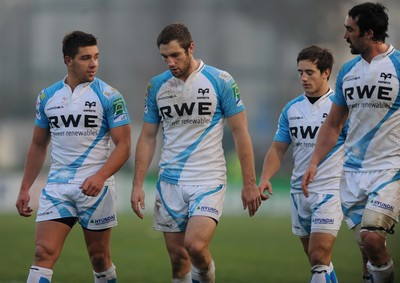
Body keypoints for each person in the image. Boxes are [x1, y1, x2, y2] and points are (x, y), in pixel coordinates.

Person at [130, 23, 261, 282]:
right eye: (164, 57)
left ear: (191, 48)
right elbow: (147, 137)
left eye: (175, 55)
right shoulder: (156, 86)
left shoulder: (220, 80)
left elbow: (240, 133)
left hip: (208, 179)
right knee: (178, 258)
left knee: (195, 246)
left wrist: (249, 183)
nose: (169, 62)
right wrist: (137, 185)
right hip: (170, 182)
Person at [15, 31, 131, 283]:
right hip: (58, 187)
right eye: (85, 58)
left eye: (96, 57)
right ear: (68, 60)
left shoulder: (110, 96)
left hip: (96, 189)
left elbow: (124, 146)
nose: (93, 64)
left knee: (99, 257)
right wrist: (25, 187)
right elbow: (37, 145)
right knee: (42, 252)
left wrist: (100, 177)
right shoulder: (47, 97)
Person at [302, 3, 399, 283]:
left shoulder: (398, 66)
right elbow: (333, 124)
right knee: (368, 254)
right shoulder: (347, 72)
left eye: (350, 29)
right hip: (353, 174)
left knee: (371, 239)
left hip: (389, 170)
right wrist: (314, 162)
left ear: (369, 33)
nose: (345, 36)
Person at [258, 45, 346, 283]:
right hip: (299, 192)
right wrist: (265, 177)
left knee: (318, 255)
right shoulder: (291, 108)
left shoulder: (340, 108)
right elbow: (278, 148)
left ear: (326, 72)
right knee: (318, 261)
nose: (303, 78)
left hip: (330, 190)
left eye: (309, 72)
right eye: (300, 72)